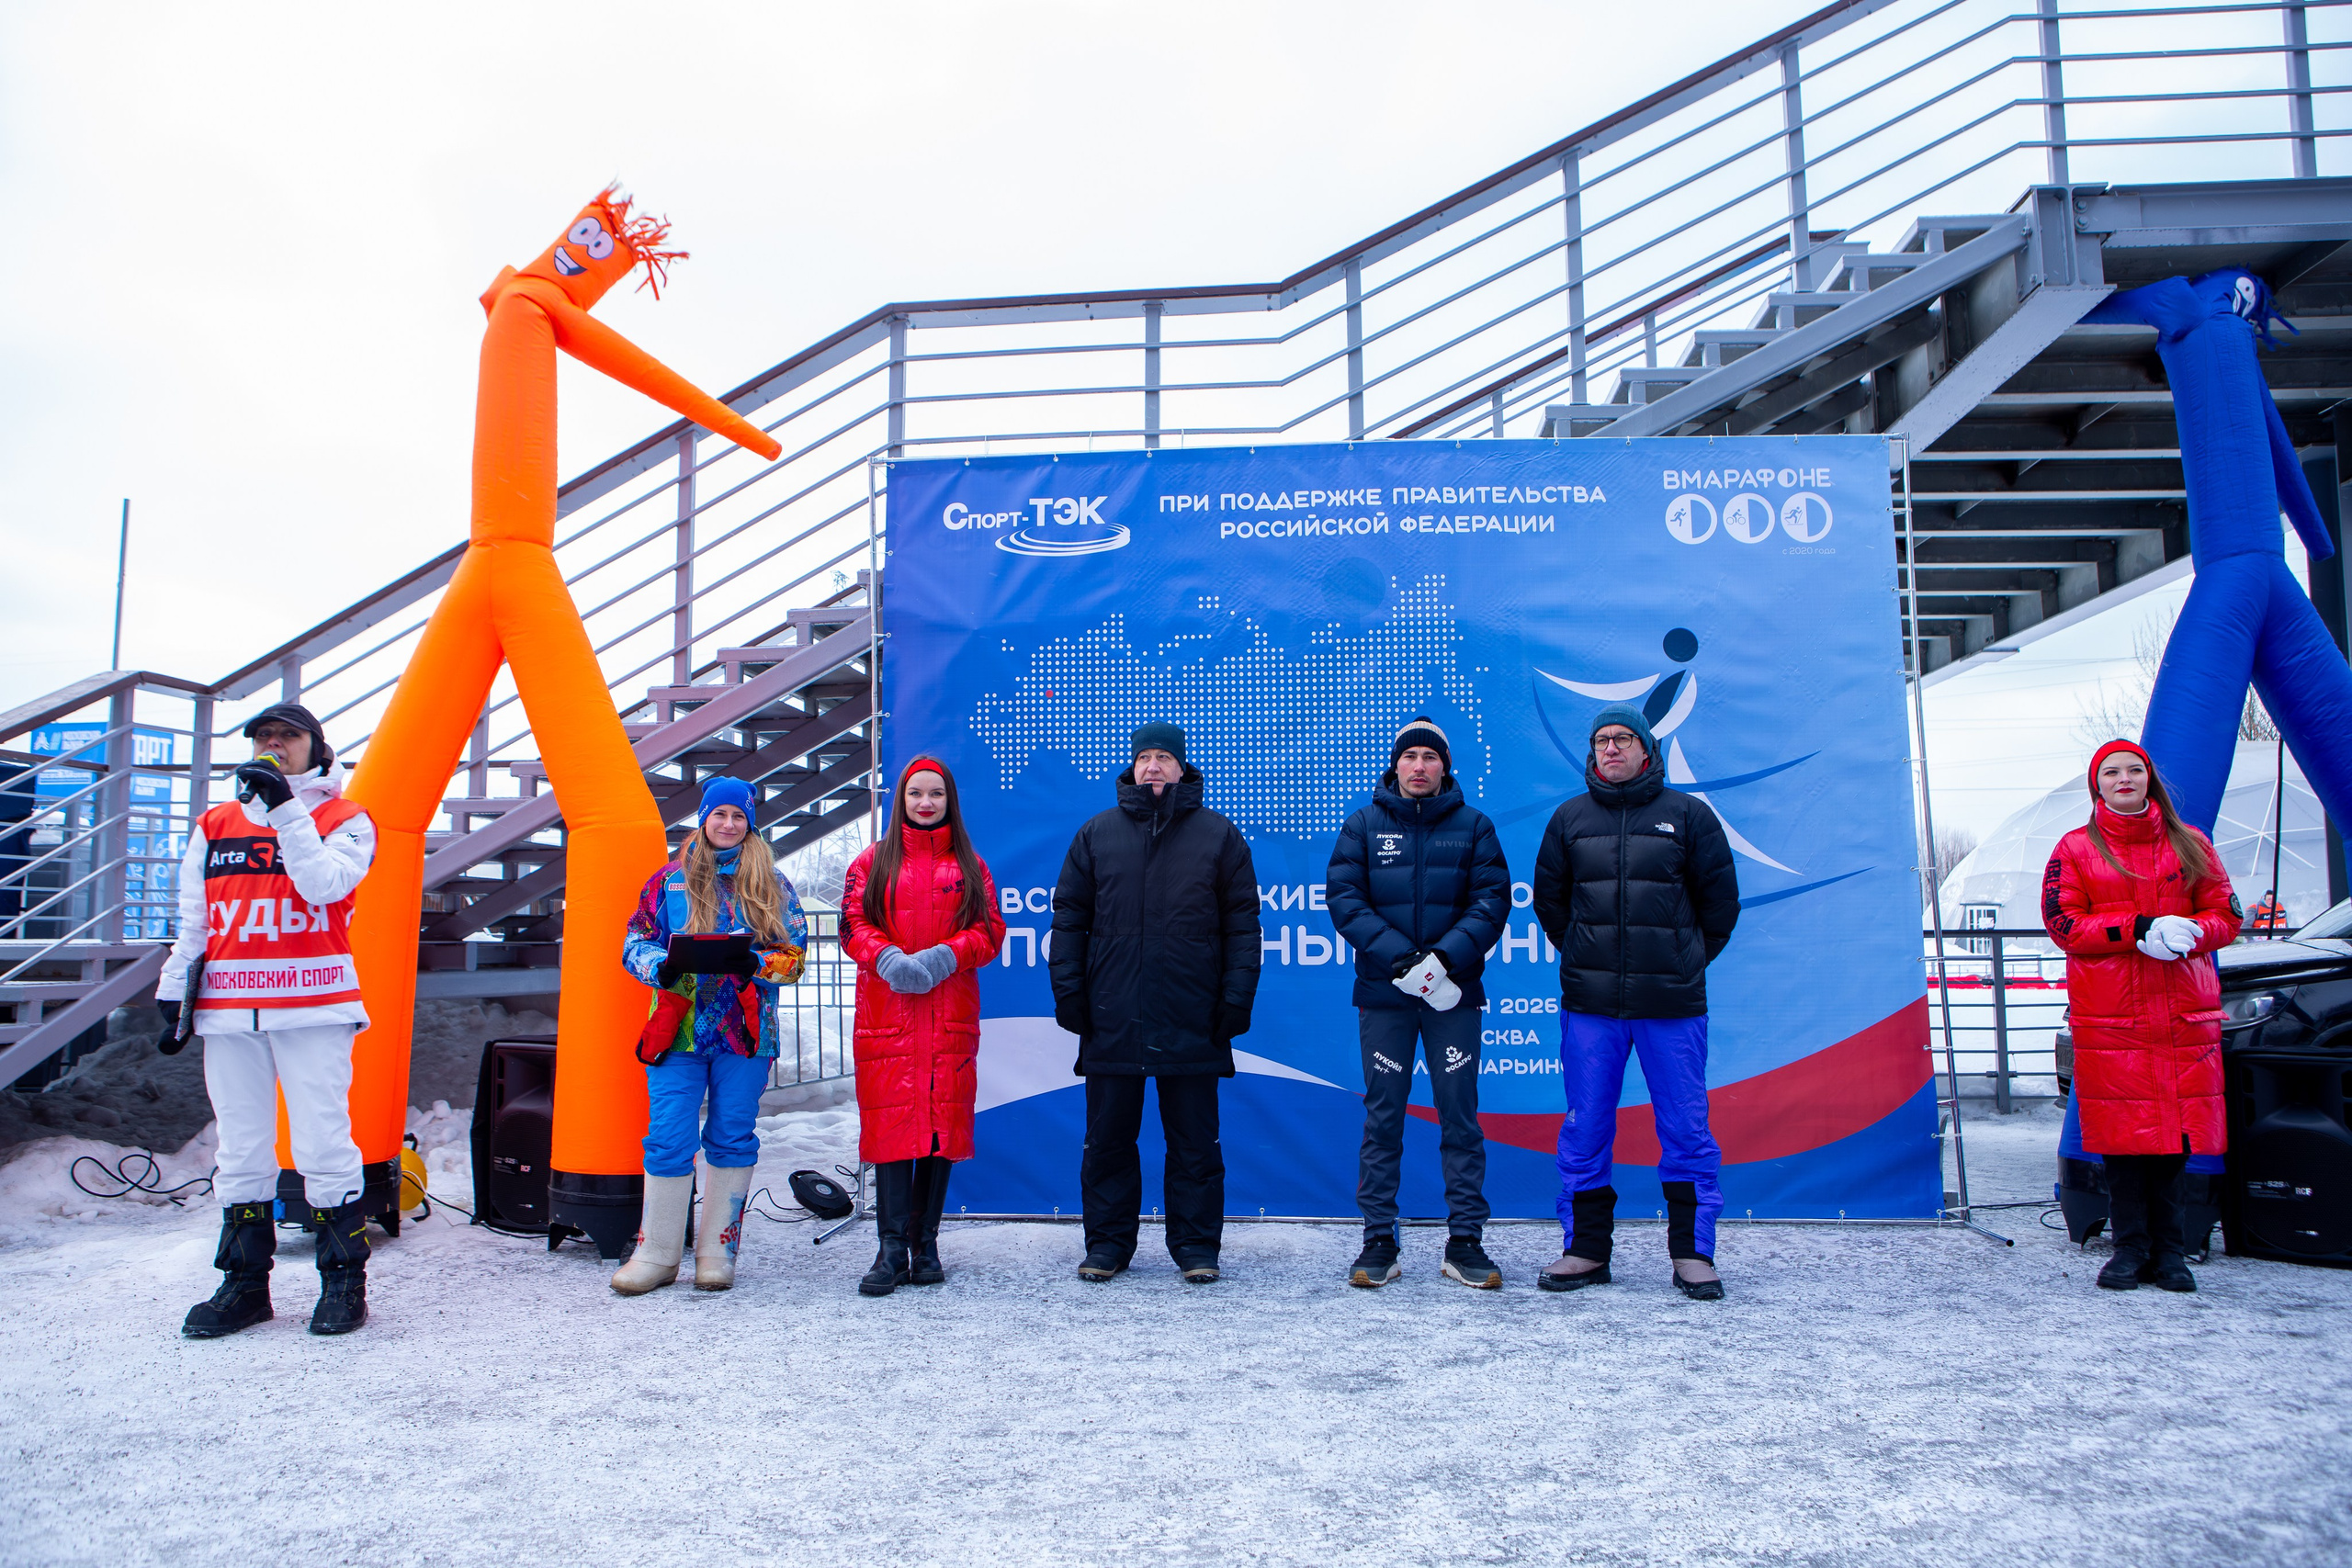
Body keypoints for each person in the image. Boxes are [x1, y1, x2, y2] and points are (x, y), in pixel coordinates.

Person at [158, 703, 379, 1338]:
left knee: (321, 1144)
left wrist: (285, 807)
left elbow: (323, 887)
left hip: (312, 1004)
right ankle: (244, 1285)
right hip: (228, 1007)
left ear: (318, 748)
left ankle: (343, 1282)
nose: (274, 744)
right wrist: (175, 988)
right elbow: (194, 918)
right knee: (241, 1149)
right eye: (263, 736)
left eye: (288, 735)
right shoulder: (216, 822)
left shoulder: (345, 817)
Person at [1531, 704, 1739, 1300]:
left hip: (1671, 1006)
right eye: (1602, 740)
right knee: (1585, 1127)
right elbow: (1552, 904)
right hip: (1591, 1006)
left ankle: (1693, 1252)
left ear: (1647, 750)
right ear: (1592, 752)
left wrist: (1682, 961)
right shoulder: (1568, 819)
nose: (1612, 748)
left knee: (1686, 1129)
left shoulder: (1688, 816)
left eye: (1624, 738)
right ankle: (1586, 1248)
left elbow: (1720, 907)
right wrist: (1585, 954)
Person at [1050, 722, 1261, 1284]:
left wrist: (1235, 1001)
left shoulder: (1220, 837)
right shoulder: (1096, 834)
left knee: (1194, 1143)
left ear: (1183, 768)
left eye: (1164, 757)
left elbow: (1243, 928)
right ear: (1132, 767)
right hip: (1112, 1015)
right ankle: (1107, 1247)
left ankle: (1196, 1248)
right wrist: (1069, 994)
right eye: (1144, 757)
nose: (1153, 767)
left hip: (1194, 1015)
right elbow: (1069, 921)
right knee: (1108, 1142)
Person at [2041, 739, 2242, 1292]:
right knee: (2124, 1138)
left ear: (2149, 779)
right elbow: (2064, 924)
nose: (2123, 779)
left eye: (2134, 770)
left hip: (2181, 1012)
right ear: (2097, 784)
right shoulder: (2076, 848)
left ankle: (2170, 1251)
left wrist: (2195, 932)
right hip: (2113, 1015)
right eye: (2112, 772)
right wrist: (2134, 930)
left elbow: (2226, 912)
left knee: (2176, 1137)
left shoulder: (2191, 843)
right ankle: (2130, 1248)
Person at [1325, 717, 1510, 1289]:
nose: (1420, 766)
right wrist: (1403, 959)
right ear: (1395, 765)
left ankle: (1466, 1242)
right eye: (1411, 757)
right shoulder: (1362, 825)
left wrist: (1445, 960)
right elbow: (1346, 899)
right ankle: (1379, 1240)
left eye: (1431, 757)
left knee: (1459, 1113)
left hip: (1452, 997)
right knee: (1384, 1115)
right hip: (1386, 998)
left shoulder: (1474, 827)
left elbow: (1490, 901)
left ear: (1444, 767)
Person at [611, 779, 807, 1295]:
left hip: (745, 1034)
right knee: (669, 1138)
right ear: (703, 819)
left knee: (731, 1137)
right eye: (718, 814)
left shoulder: (773, 885)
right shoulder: (667, 882)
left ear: (750, 824)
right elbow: (635, 941)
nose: (728, 824)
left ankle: (718, 1251)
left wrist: (757, 962)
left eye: (738, 816)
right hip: (677, 1032)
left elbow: (794, 958)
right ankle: (656, 1254)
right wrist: (662, 965)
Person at [840, 757, 1007, 1296]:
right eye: (916, 794)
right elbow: (852, 925)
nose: (926, 803)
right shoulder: (872, 863)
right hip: (888, 1016)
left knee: (939, 1129)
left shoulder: (970, 865)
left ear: (949, 800)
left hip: (948, 1014)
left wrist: (944, 957)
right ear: (902, 800)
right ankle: (890, 1251)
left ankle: (925, 1245)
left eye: (936, 794)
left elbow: (989, 930)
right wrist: (886, 957)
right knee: (891, 1130)